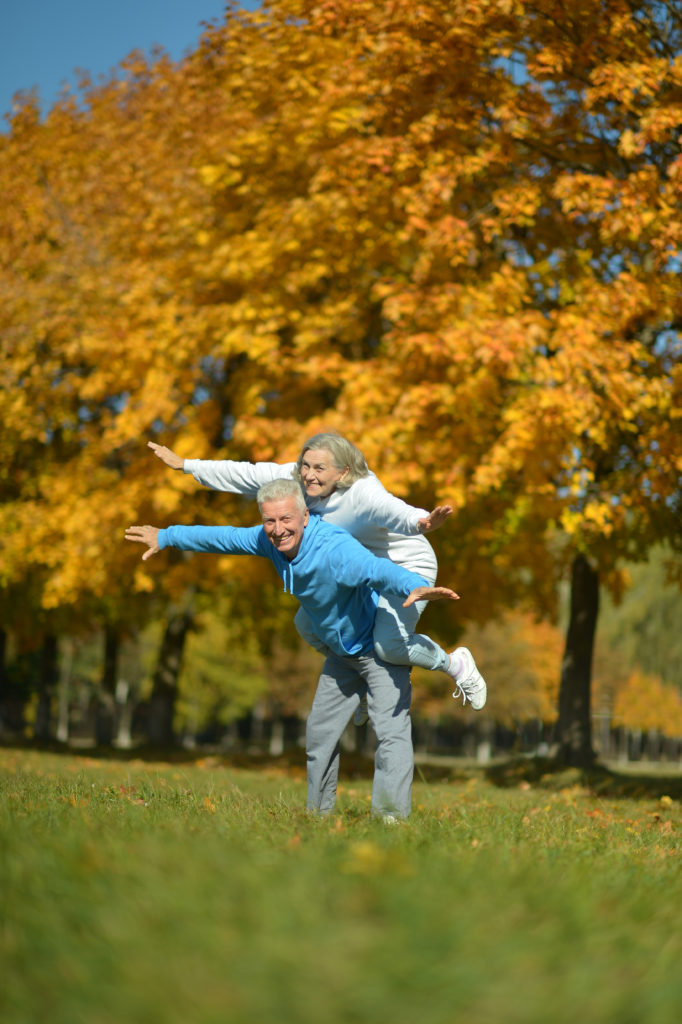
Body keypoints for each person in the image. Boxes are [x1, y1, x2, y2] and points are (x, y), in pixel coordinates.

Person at [125, 479, 461, 819]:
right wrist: (165, 537)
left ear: (304, 516)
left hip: (377, 647)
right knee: (319, 736)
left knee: (390, 734)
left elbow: (376, 569)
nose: (278, 529)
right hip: (342, 655)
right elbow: (223, 537)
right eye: (269, 521)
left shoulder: (334, 548)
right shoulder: (267, 540)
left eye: (286, 519)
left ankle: (391, 818)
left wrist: (413, 585)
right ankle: (318, 816)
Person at [148, 432, 487, 714]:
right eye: (305, 465)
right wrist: (187, 465)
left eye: (319, 468)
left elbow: (393, 510)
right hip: (358, 569)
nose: (309, 475)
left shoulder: (362, 492)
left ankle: (454, 663)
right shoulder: (297, 480)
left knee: (389, 647)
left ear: (343, 472)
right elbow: (246, 474)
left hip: (405, 566)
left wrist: (422, 522)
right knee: (308, 626)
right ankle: (364, 680)